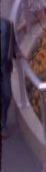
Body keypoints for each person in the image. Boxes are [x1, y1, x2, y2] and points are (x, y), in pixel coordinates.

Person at [0, 10, 15, 138]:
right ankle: (2, 125)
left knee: (7, 95)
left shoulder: (7, 25)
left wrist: (17, 53)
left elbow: (12, 44)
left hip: (4, 68)